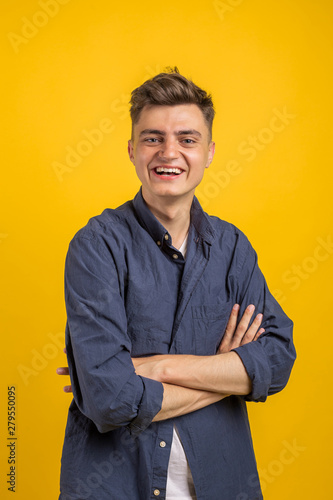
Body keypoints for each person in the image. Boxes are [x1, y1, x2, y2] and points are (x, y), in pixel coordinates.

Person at [57, 68, 296, 500]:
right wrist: (225, 372)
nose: (169, 152)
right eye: (153, 138)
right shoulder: (96, 247)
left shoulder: (233, 248)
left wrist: (156, 368)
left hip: (221, 482)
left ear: (209, 152)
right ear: (132, 149)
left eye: (187, 139)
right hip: (114, 486)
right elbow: (109, 397)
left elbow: (277, 358)